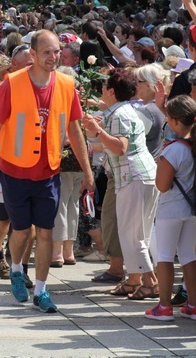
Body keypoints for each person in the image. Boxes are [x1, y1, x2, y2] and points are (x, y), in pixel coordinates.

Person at [0, 30, 94, 313]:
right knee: (21, 232)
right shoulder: (12, 84)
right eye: (47, 52)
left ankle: (42, 291)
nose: (53, 57)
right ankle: (17, 270)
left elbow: (75, 129)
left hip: (48, 172)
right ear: (32, 54)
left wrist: (87, 171)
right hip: (15, 171)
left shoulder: (67, 84)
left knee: (46, 232)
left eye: (57, 51)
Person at [82, 68, 158, 301]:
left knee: (133, 234)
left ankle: (151, 282)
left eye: (104, 87)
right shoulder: (123, 110)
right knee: (137, 233)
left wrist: (97, 130)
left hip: (133, 177)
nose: (101, 91)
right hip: (140, 176)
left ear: (112, 91)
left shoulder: (119, 114)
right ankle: (135, 279)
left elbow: (120, 147)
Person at [145, 95, 196, 321]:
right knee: (188, 257)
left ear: (174, 122)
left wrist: (160, 165)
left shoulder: (174, 150)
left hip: (170, 211)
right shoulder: (191, 147)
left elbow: (162, 185)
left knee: (164, 257)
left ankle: (164, 307)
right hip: (191, 211)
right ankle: (193, 305)